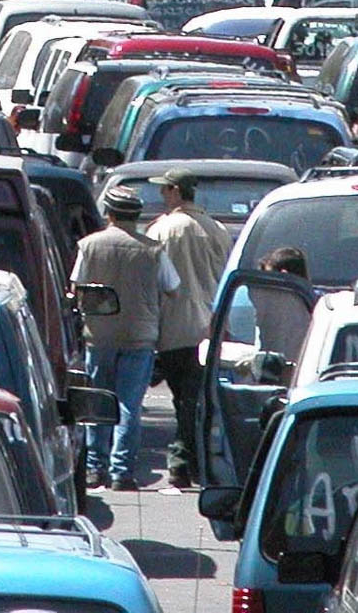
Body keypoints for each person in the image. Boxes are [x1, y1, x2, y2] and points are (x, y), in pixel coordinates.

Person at [72, 185, 179, 491]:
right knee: (129, 404)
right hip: (140, 336)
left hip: (99, 335)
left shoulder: (89, 246)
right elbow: (173, 288)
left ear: (109, 213)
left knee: (98, 401)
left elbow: (76, 286)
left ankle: (95, 468)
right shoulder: (153, 250)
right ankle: (122, 472)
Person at [145, 168, 232, 489]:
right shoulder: (218, 230)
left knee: (184, 399)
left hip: (174, 327)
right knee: (197, 401)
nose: (161, 195)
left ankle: (182, 461)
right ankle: (194, 463)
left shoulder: (161, 229)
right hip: (211, 328)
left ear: (176, 191)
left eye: (165, 189)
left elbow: (152, 280)